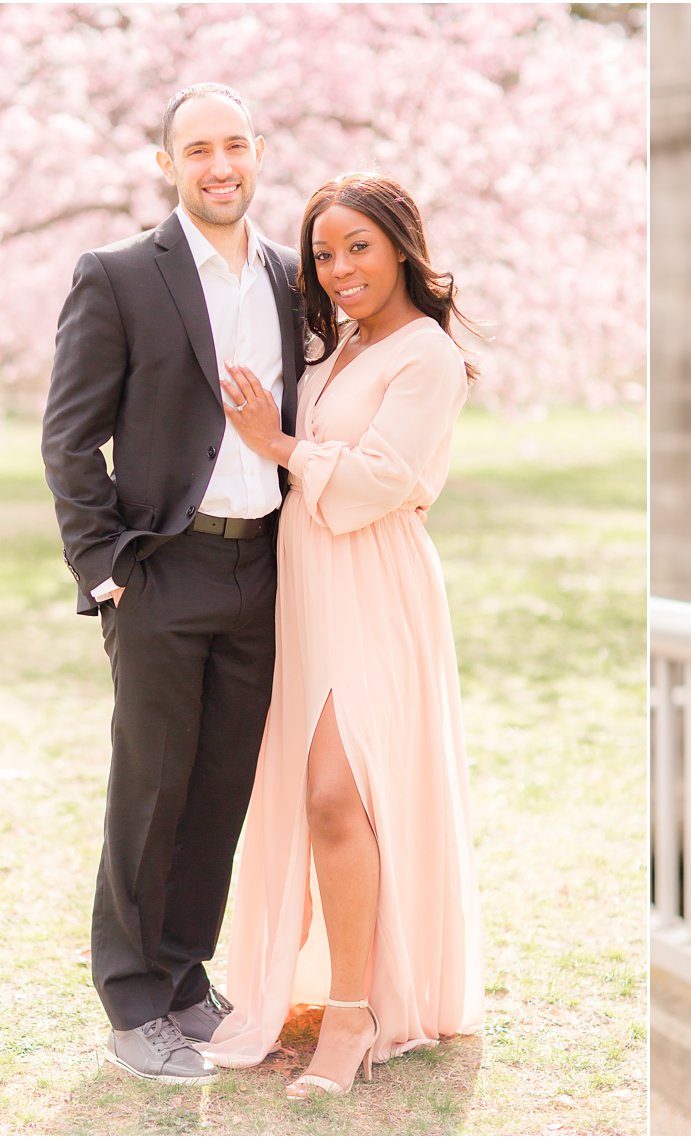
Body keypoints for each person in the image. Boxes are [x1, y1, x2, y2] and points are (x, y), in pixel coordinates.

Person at [41, 83, 304, 1084]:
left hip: (263, 566)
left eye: (234, 144)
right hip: (162, 565)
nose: (219, 164)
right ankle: (132, 996)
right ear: (168, 165)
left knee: (219, 788)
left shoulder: (289, 276)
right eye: (197, 150)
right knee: (150, 786)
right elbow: (69, 435)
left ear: (259, 151)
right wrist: (103, 564)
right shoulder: (116, 275)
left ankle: (186, 976)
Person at [200, 172, 483, 1097]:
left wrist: (278, 448)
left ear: (401, 244)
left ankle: (356, 1015)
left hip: (377, 580)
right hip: (310, 583)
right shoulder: (340, 345)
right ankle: (334, 989)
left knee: (337, 790)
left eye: (357, 245)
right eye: (323, 253)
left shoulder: (426, 357)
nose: (338, 268)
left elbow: (373, 482)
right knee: (324, 795)